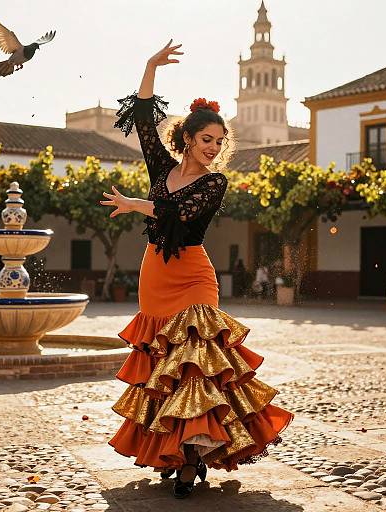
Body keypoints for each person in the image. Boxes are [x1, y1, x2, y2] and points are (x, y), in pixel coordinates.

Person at [100, 40, 294, 499]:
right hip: (156, 274)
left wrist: (133, 206)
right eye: (207, 139)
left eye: (219, 142)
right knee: (162, 367)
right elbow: (144, 119)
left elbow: (179, 215)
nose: (213, 148)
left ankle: (192, 460)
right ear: (188, 138)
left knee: (196, 365)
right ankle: (171, 448)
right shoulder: (162, 168)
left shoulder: (214, 183)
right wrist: (149, 65)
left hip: (193, 276)